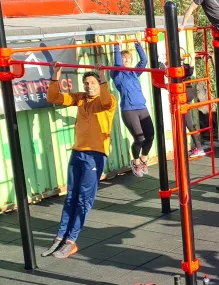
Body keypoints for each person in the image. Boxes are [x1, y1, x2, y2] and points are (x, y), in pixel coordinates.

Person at [43, 65, 117, 259]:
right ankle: (60, 237)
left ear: (100, 85)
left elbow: (107, 100)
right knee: (70, 197)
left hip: (95, 155)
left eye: (93, 83)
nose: (89, 86)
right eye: (86, 83)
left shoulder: (107, 101)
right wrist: (56, 75)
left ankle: (71, 240)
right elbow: (54, 98)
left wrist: (102, 79)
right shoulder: (80, 98)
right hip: (77, 153)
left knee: (84, 200)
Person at [110, 42, 155, 176]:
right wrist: (116, 47)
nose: (126, 60)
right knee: (139, 139)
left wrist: (138, 45)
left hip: (142, 108)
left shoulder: (134, 73)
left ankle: (143, 159)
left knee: (150, 136)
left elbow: (144, 61)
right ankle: (135, 162)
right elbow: (118, 64)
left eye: (128, 59)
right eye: (124, 58)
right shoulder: (116, 75)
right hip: (129, 110)